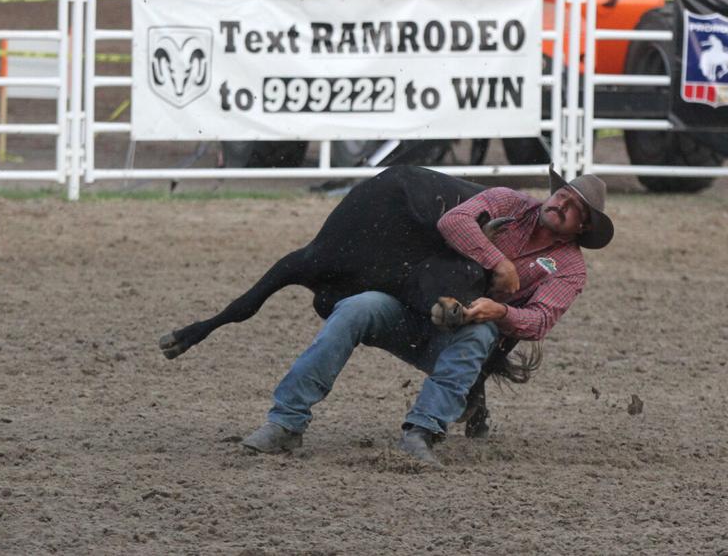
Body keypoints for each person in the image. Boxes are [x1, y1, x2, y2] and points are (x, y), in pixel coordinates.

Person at [240, 167, 614, 468]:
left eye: (574, 209)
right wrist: (498, 261)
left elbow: (540, 321)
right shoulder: (508, 202)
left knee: (482, 332)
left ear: (581, 228)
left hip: (458, 336)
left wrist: (500, 310)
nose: (561, 204)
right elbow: (454, 221)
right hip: (415, 305)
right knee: (357, 307)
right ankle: (286, 421)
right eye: (563, 195)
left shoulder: (569, 268)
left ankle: (421, 431)